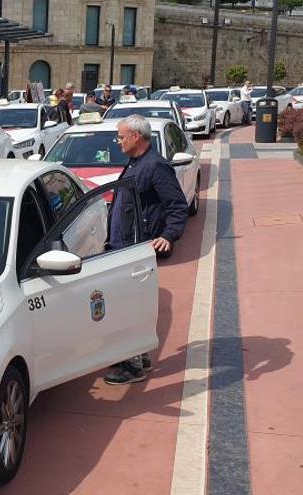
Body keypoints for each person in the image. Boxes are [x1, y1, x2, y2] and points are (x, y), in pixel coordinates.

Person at [104, 114, 188, 386]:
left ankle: (133, 366)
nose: (117, 141)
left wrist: (169, 234)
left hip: (137, 249)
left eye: (120, 136)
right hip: (124, 247)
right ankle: (139, 356)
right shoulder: (136, 162)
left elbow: (177, 204)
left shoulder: (155, 166)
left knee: (129, 306)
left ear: (135, 137)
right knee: (131, 304)